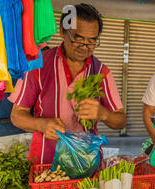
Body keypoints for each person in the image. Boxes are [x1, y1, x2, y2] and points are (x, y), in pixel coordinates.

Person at [9, 3, 126, 164]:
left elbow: (121, 120)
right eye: (78, 39)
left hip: (87, 163)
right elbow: (16, 115)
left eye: (92, 41)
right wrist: (42, 124)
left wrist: (103, 113)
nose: (84, 47)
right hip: (46, 164)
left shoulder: (101, 72)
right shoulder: (37, 65)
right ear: (63, 31)